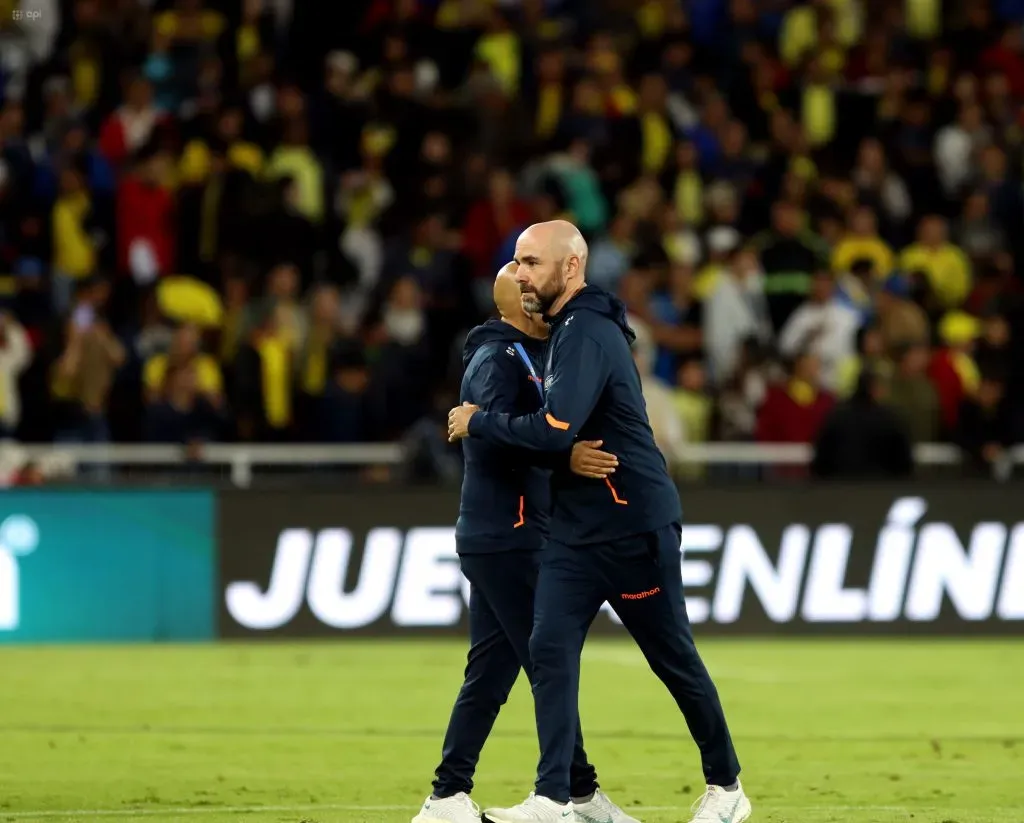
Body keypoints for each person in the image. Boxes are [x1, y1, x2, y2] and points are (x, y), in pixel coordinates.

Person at [447, 222, 750, 823]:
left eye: (533, 262)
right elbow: (564, 434)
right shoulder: (564, 330)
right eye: (517, 263)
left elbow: (556, 427)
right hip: (574, 530)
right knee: (549, 651)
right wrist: (563, 448)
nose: (522, 273)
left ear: (573, 265)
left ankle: (727, 786)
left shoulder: (586, 329)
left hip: (632, 525)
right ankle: (556, 798)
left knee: (672, 658)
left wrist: (478, 420)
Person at [414, 264, 632, 823]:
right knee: (548, 662)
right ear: (513, 305)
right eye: (525, 287)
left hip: (514, 532)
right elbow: (485, 438)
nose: (536, 294)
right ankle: (573, 796)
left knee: (491, 672)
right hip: (505, 534)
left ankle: (446, 797)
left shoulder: (538, 354)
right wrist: (567, 454)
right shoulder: (498, 358)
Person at [811, 369, 914, 479]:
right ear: (874, 389)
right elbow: (904, 464)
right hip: (881, 488)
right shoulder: (891, 420)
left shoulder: (836, 416)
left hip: (839, 487)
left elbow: (820, 461)